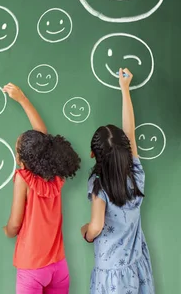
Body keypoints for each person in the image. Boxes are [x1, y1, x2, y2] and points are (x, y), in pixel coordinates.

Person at [81, 68, 154, 293]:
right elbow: (129, 133)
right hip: (136, 263)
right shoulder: (136, 173)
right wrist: (125, 89)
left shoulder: (98, 185)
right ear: (126, 151)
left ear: (93, 154)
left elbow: (96, 226)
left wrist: (86, 232)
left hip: (110, 271)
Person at [3, 83, 81, 294]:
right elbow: (43, 137)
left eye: (17, 150)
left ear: (22, 159)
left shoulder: (23, 179)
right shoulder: (55, 175)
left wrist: (7, 231)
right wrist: (22, 99)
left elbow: (15, 224)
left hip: (32, 268)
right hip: (59, 267)